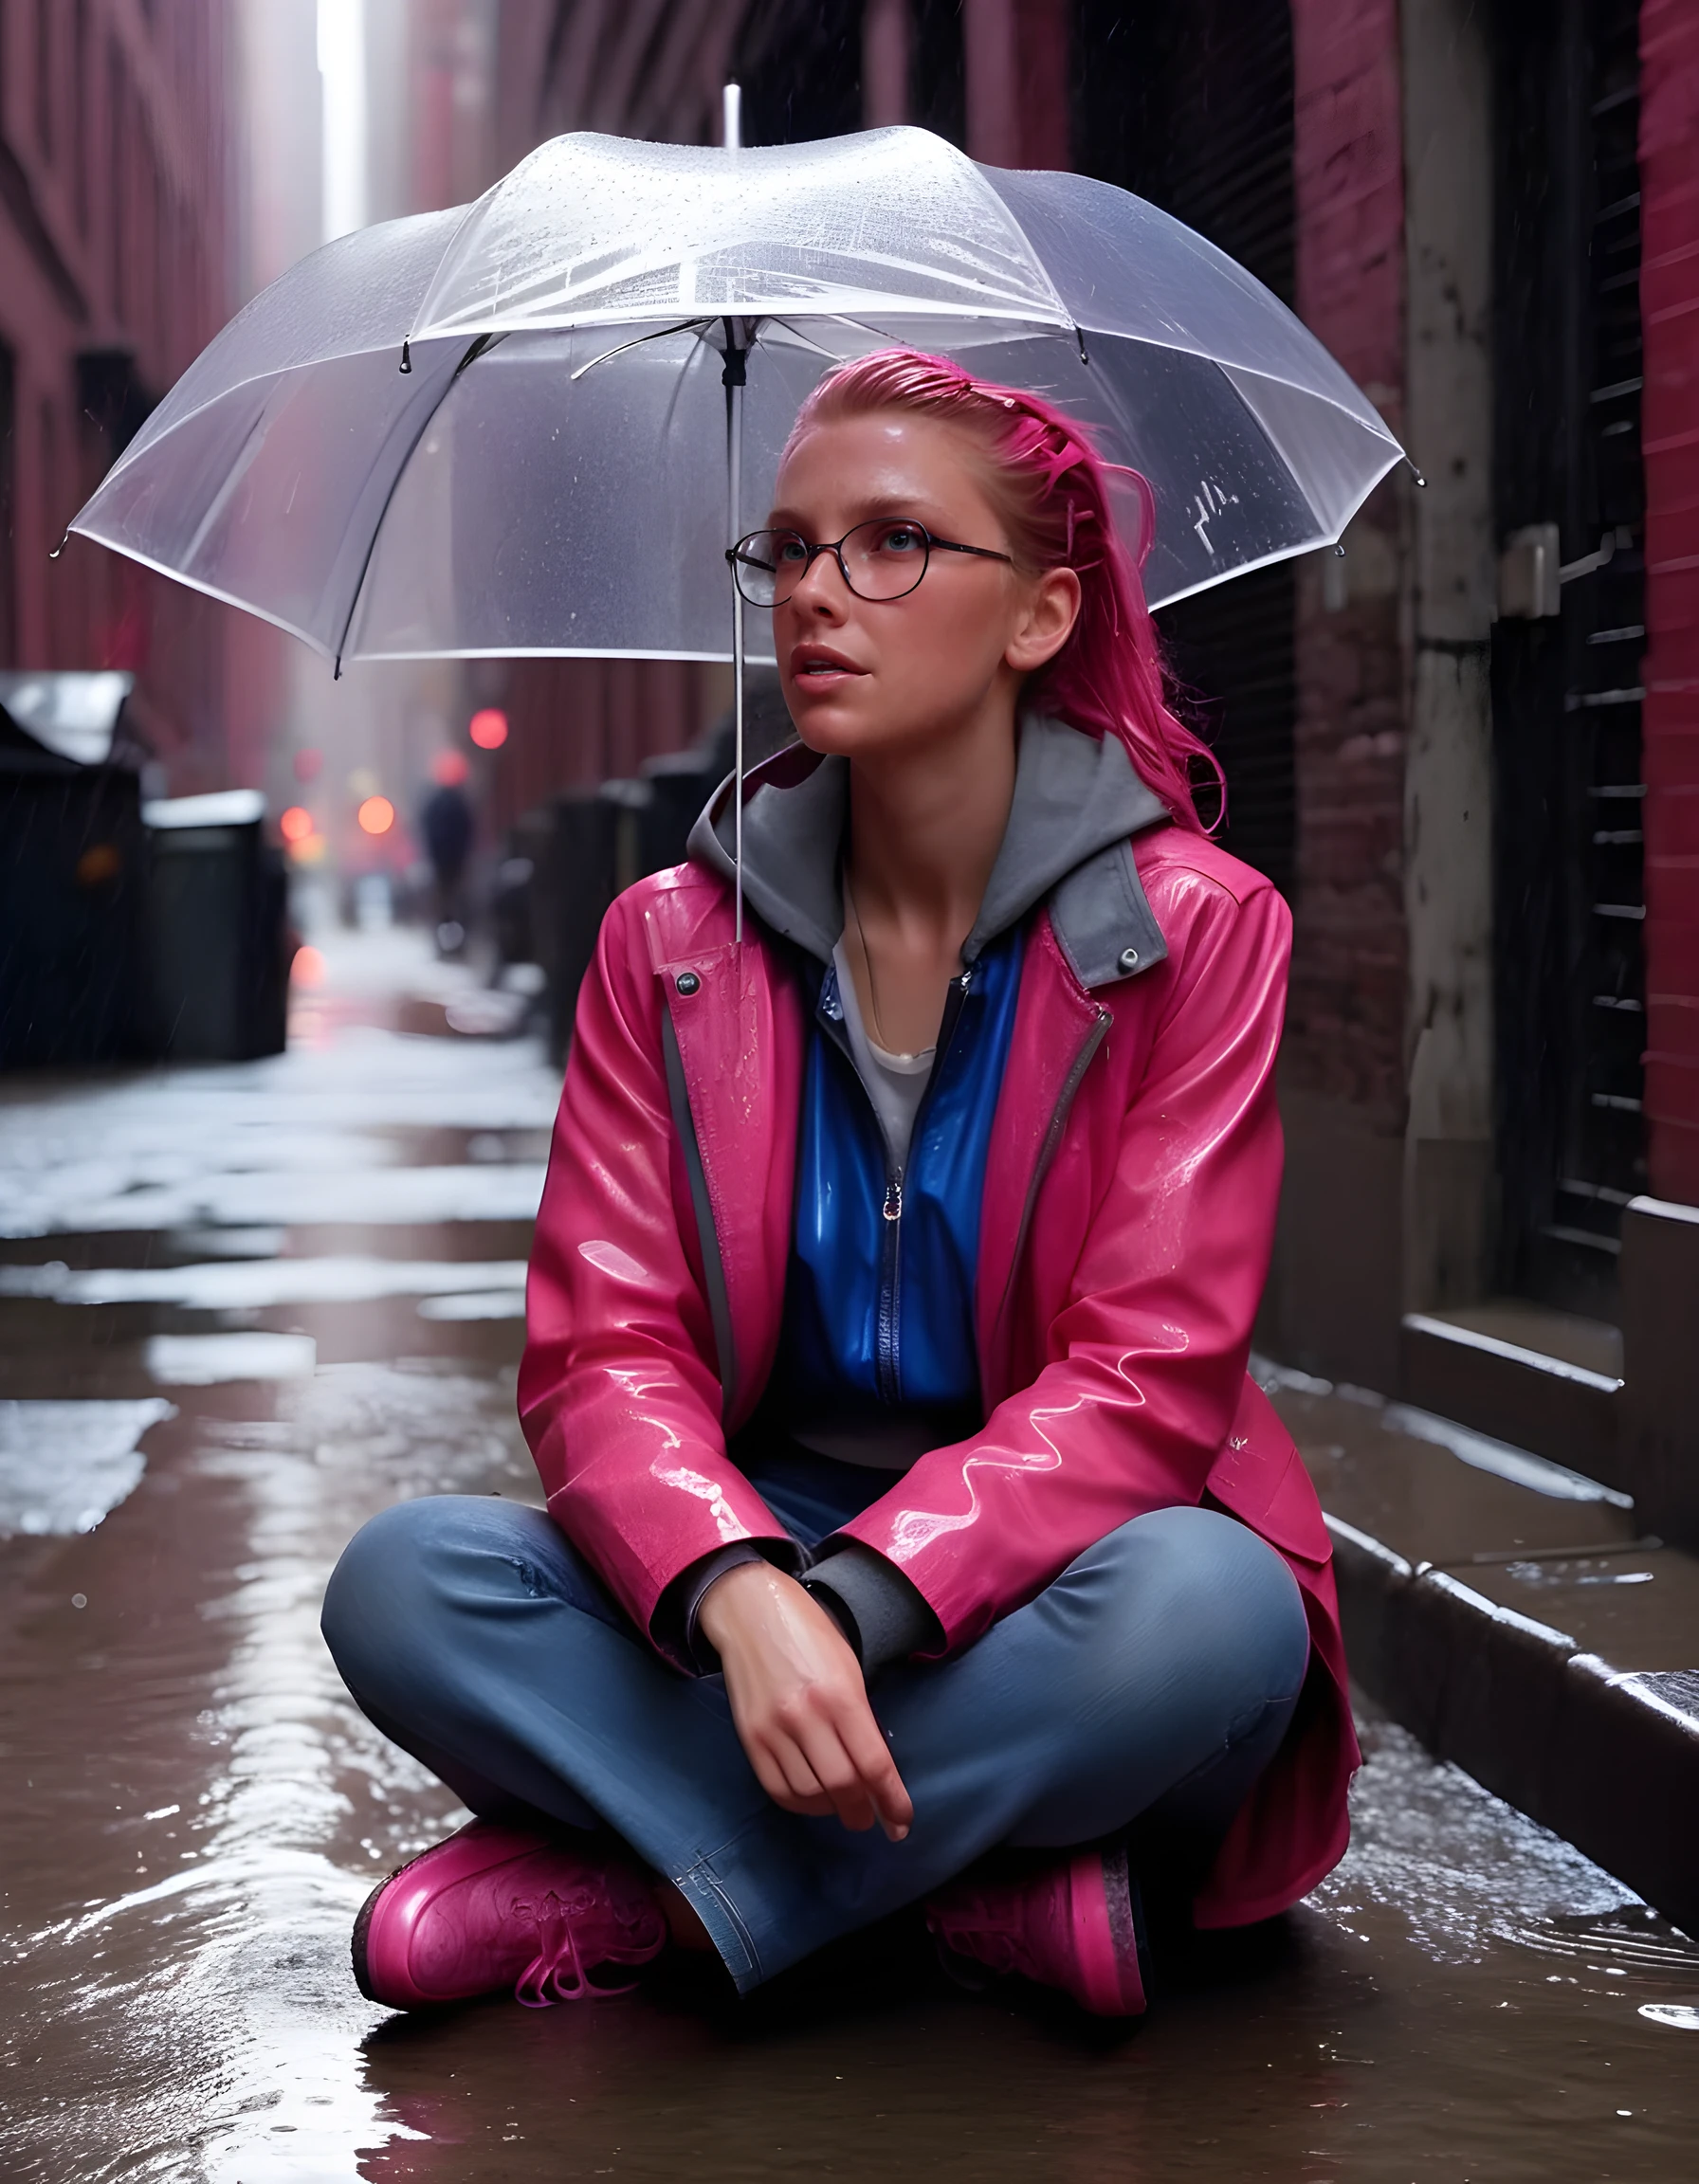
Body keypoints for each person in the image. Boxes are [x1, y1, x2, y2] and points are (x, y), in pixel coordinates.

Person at [321, 349, 1358, 2020]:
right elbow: (604, 1356)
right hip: (754, 1536)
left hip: (1057, 1574)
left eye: (888, 544)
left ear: (1037, 613)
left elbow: (1147, 1377)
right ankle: (968, 1893)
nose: (815, 592)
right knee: (405, 1582)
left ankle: (649, 1896)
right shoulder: (666, 940)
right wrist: (739, 1586)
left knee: (1216, 1612)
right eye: (788, 549)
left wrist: (863, 1602)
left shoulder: (1199, 931)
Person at [419, 748, 475, 955]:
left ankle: (445, 944)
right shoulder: (458, 802)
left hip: (445, 861)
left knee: (446, 905)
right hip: (455, 861)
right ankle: (455, 944)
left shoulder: (436, 803)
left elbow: (427, 829)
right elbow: (469, 829)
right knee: (455, 903)